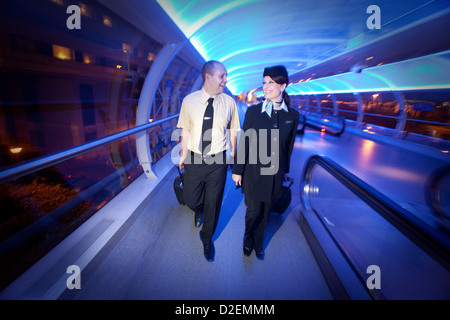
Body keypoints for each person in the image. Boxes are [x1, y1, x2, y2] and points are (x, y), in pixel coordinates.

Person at [232, 65, 299, 259]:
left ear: (283, 85)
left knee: (266, 211)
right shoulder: (254, 112)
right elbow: (244, 141)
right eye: (264, 82)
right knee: (253, 211)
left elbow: (289, 148)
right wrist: (237, 171)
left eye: (271, 82)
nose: (266, 86)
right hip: (253, 172)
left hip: (275, 174)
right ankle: (248, 237)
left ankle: (259, 241)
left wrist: (283, 174)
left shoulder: (292, 116)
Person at [177, 60, 240, 261]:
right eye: (222, 76)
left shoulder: (229, 103)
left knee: (214, 202)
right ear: (208, 77)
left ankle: (207, 237)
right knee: (190, 199)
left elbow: (233, 131)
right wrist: (182, 154)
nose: (225, 80)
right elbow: (185, 130)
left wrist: (233, 157)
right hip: (194, 158)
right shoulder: (189, 101)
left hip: (218, 161)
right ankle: (198, 209)